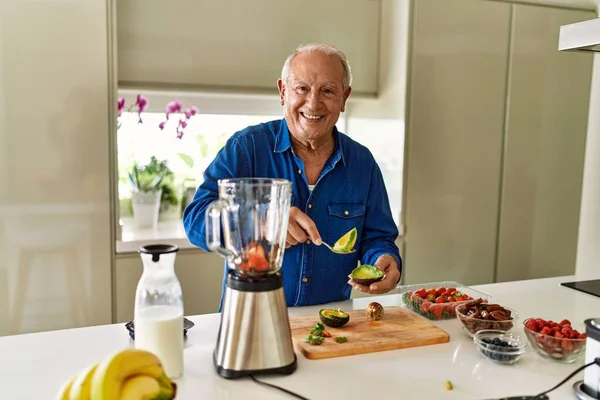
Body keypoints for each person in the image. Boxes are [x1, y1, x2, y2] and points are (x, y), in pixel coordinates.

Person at [183, 43, 402, 308]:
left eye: (328, 91)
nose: (313, 102)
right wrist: (264, 222)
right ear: (283, 91)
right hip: (249, 319)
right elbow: (195, 221)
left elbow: (377, 237)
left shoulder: (362, 163)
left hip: (329, 326)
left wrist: (383, 259)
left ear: (344, 98)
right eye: (302, 88)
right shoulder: (246, 149)